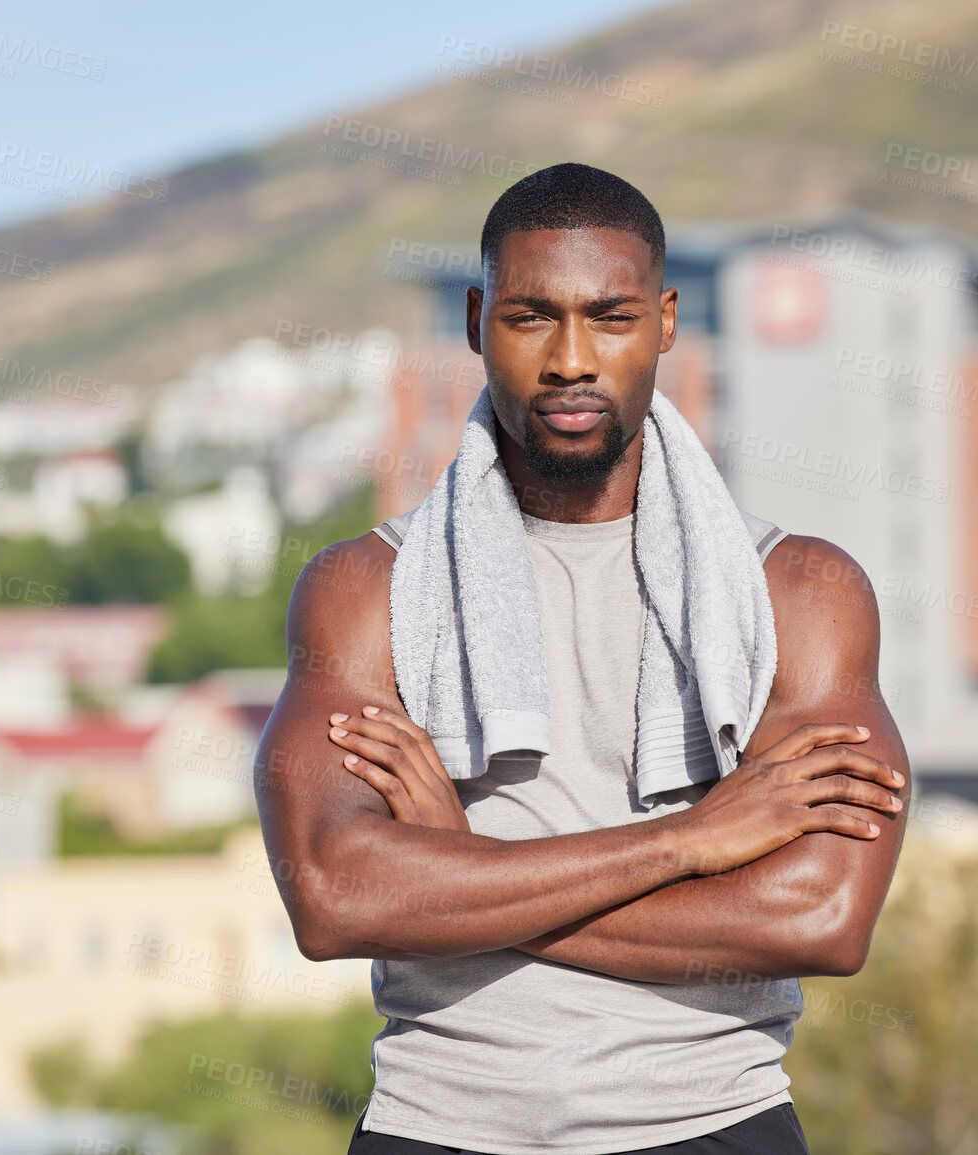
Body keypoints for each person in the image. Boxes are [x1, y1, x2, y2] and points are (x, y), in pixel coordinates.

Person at [254, 163, 909, 1155]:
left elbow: (819, 917)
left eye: (609, 316)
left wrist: (461, 873)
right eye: (531, 318)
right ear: (476, 322)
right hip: (438, 1127)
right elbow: (335, 898)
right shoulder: (363, 591)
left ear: (666, 321)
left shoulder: (804, 593)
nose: (571, 359)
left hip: (709, 1124)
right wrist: (691, 842)